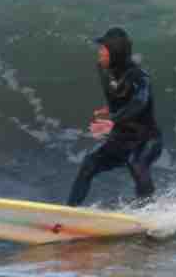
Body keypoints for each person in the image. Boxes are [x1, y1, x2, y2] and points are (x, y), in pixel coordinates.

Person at [68, 26, 162, 206]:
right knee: (89, 164)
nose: (99, 52)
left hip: (146, 139)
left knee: (136, 163)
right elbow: (121, 95)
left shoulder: (140, 77)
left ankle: (149, 209)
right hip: (122, 138)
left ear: (115, 52)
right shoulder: (103, 69)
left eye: (103, 49)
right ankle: (68, 212)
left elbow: (139, 102)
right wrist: (110, 108)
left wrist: (113, 120)